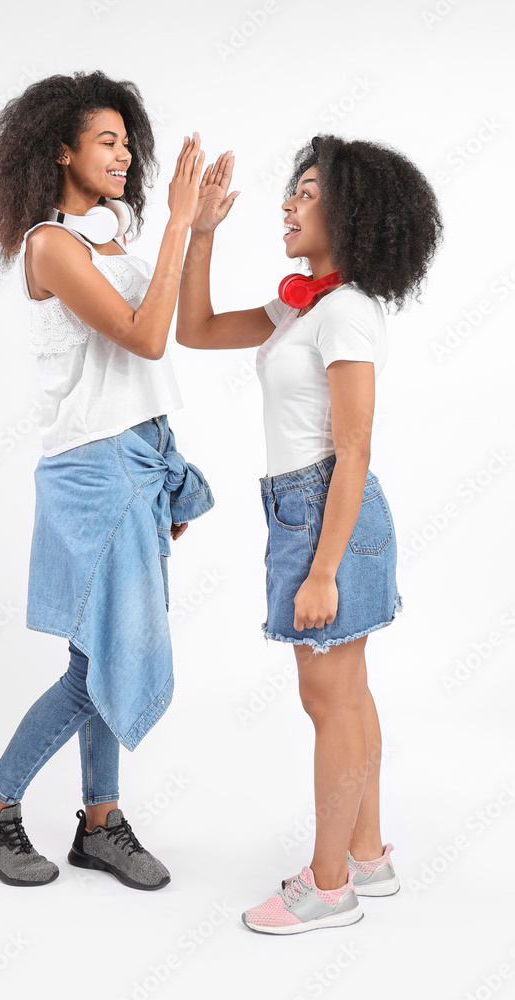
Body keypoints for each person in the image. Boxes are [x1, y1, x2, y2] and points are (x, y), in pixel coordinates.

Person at [0, 70, 215, 890]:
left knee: (102, 650)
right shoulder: (50, 244)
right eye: (107, 141)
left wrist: (194, 231)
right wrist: (175, 221)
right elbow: (144, 338)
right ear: (59, 150)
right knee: (101, 660)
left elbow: (173, 327)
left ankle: (100, 822)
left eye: (128, 144)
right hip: (93, 472)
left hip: (137, 459)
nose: (125, 156)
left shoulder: (110, 242)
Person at [176, 133, 442, 933]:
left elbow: (354, 449)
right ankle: (366, 856)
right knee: (346, 693)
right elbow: (192, 330)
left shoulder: (347, 312)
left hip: (328, 510)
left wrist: (322, 569)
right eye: (290, 191)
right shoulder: (303, 306)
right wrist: (202, 233)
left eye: (307, 191)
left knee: (326, 698)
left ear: (350, 211)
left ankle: (328, 889)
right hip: (309, 506)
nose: (287, 204)